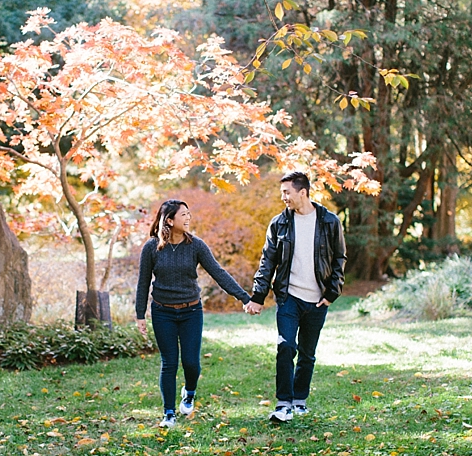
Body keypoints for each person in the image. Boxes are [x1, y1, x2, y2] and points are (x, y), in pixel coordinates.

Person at [134, 199, 252, 429]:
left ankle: (189, 392)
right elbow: (143, 283)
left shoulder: (196, 245)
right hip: (162, 312)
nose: (189, 218)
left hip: (191, 311)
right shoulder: (151, 247)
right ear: (169, 220)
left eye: (189, 214)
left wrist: (244, 297)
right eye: (183, 215)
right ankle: (168, 412)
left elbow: (218, 273)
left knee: (191, 362)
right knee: (169, 363)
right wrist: (140, 314)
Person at [244, 172, 346, 424]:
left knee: (307, 353)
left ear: (303, 192)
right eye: (282, 193)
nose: (283, 197)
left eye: (287, 192)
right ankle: (283, 403)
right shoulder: (279, 223)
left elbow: (339, 259)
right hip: (289, 297)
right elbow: (267, 262)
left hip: (317, 299)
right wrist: (258, 295)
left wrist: (332, 293)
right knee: (285, 346)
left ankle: (299, 401)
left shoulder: (329, 222)